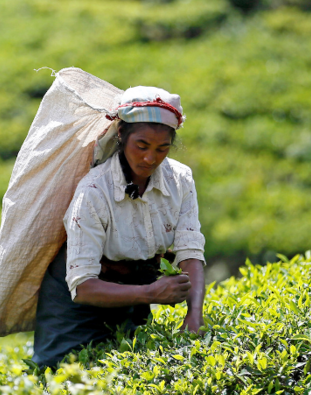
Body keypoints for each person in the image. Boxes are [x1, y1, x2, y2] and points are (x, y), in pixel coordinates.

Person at [32, 86, 206, 368]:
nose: (150, 158)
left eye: (161, 149)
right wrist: (152, 294)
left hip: (135, 291)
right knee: (61, 381)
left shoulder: (180, 180)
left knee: (131, 376)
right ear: (122, 135)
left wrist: (194, 316)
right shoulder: (93, 192)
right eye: (142, 146)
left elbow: (190, 251)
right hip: (77, 308)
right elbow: (83, 288)